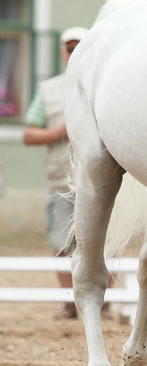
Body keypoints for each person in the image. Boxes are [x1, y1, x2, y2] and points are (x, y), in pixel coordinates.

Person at [23, 26, 89, 318]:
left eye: (79, 47)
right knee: (61, 244)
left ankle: (103, 301)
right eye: (70, 48)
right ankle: (70, 301)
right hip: (61, 180)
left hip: (97, 182)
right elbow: (29, 133)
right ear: (63, 53)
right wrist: (59, 132)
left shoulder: (104, 83)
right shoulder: (49, 90)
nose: (74, 53)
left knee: (102, 243)